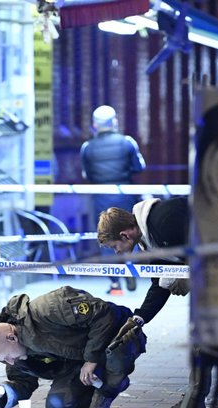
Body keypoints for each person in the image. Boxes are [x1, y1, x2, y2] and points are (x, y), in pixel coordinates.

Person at [97, 196, 218, 408]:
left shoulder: (165, 220)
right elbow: (159, 286)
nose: (118, 253)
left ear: (125, 235)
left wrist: (191, 273)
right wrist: (138, 318)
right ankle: (195, 399)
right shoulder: (149, 240)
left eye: (115, 247)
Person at [0, 286, 146, 408]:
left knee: (115, 353)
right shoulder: (15, 354)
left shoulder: (48, 308)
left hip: (115, 333)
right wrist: (0, 391)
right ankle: (103, 381)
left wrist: (90, 361)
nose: (10, 362)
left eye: (7, 357)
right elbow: (22, 383)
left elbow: (103, 315)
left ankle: (109, 387)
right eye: (5, 360)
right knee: (57, 405)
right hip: (78, 361)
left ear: (11, 338)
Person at [81, 105, 146, 295]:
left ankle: (115, 283)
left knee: (106, 236)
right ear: (114, 122)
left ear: (94, 125)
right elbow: (139, 166)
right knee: (129, 233)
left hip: (101, 196)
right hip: (125, 194)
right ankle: (129, 266)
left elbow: (87, 174)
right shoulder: (127, 142)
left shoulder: (87, 147)